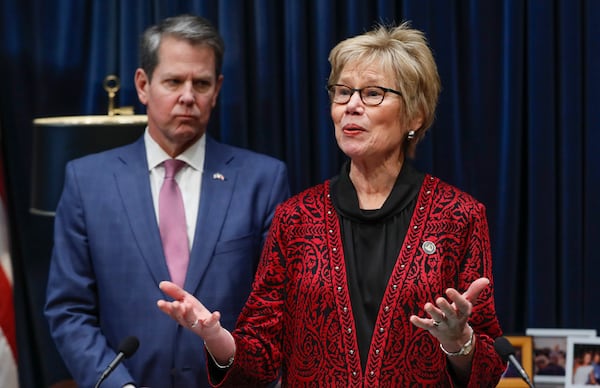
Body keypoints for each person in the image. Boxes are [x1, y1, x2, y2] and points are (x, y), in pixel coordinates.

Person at [157, 22, 506, 387]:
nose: (351, 106)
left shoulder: (458, 215)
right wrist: (215, 338)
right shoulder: (295, 218)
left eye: (372, 93)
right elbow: (259, 355)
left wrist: (458, 343)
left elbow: (488, 368)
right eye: (342, 93)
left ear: (415, 115)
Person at [44, 14, 289, 388]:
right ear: (143, 85)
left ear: (217, 89)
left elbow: (275, 312)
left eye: (201, 83)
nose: (188, 96)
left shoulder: (263, 180)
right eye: (174, 81)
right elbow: (68, 309)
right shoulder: (86, 181)